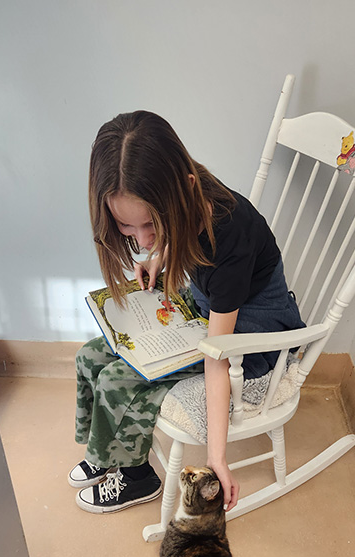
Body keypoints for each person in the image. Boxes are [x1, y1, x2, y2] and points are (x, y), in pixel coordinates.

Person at [69, 111, 304, 514]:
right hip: (208, 309)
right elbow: (175, 228)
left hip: (250, 331)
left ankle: (136, 477)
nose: (141, 241)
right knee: (90, 356)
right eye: (128, 227)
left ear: (184, 188)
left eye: (151, 227)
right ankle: (105, 449)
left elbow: (219, 357)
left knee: (119, 378)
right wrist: (159, 256)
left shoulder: (227, 239)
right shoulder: (187, 185)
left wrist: (217, 456)